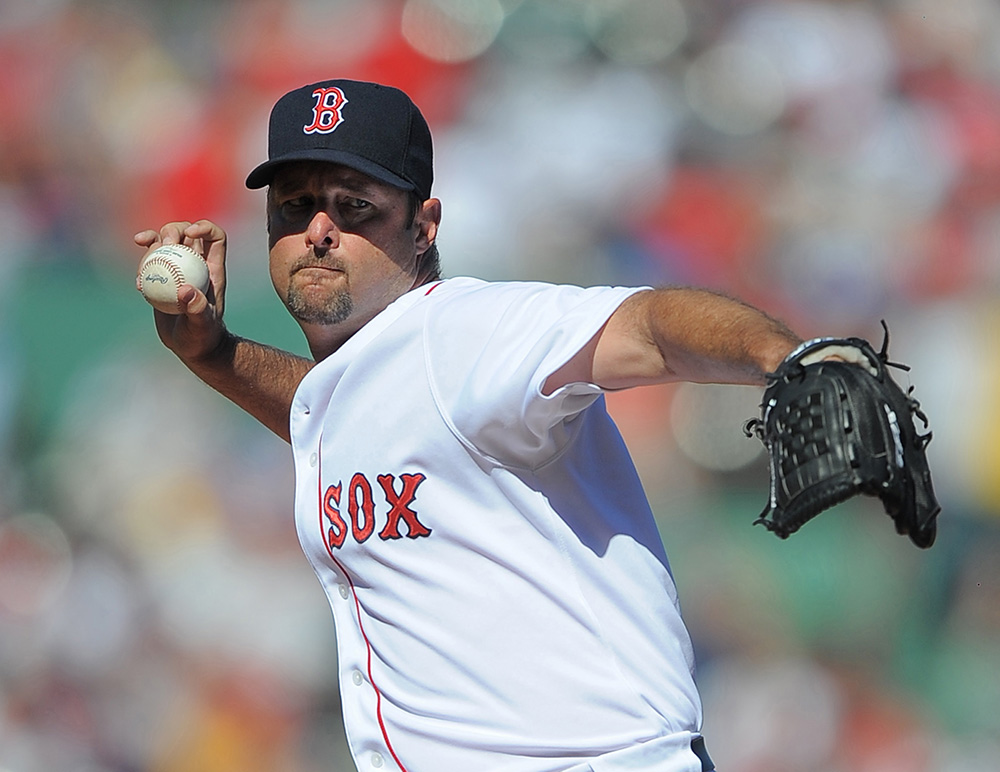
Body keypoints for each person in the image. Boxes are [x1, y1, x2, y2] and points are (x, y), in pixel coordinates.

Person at [135, 79, 805, 772]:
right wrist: (212, 353)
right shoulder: (374, 380)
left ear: (423, 226)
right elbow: (358, 415)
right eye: (297, 205)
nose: (320, 229)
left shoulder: (466, 333)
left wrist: (786, 359)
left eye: (355, 206)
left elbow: (650, 325)